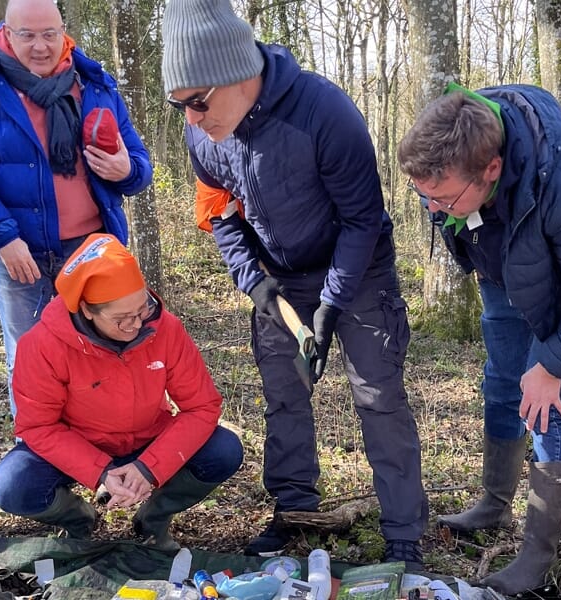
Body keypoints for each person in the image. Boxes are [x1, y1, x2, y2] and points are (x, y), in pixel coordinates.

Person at [161, 0, 428, 569]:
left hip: (356, 269)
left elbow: (362, 220)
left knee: (378, 398)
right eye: (177, 105)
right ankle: (294, 509)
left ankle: (404, 533)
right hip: (276, 279)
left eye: (198, 103)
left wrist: (333, 301)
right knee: (284, 395)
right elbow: (219, 213)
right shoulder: (204, 136)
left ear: (236, 72)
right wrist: (252, 281)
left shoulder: (325, 112)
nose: (191, 119)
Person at [398, 83, 561, 594]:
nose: (431, 208)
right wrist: (456, 215)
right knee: (503, 381)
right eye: (424, 194)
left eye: (442, 198)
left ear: (491, 169)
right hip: (504, 262)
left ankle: (536, 555)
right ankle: (494, 503)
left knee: (543, 401)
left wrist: (553, 366)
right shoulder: (463, 137)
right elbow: (455, 210)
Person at [0, 0, 153, 414]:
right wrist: (2, 236)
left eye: (49, 34)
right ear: (6, 32)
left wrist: (127, 169)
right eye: (28, 35)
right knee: (31, 358)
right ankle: (38, 461)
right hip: (20, 252)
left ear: (63, 31)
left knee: (100, 353)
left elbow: (139, 167)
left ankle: (101, 454)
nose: (41, 46)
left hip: (93, 248)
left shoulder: (93, 83)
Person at [0, 233, 243, 546]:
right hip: (80, 444)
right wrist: (100, 472)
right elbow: (38, 425)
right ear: (86, 310)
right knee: (12, 485)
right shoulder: (42, 345)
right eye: (122, 319)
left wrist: (150, 467)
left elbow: (202, 406)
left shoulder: (165, 328)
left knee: (224, 450)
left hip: (147, 438)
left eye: (142, 309)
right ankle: (80, 519)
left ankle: (154, 519)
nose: (136, 325)